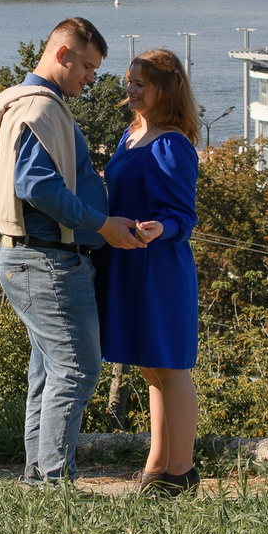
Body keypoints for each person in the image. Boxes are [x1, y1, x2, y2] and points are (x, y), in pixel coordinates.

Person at [0, 18, 148, 485]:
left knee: (49, 371)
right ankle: (52, 482)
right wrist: (101, 224)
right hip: (47, 261)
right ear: (63, 54)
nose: (91, 77)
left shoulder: (16, 102)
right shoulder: (42, 109)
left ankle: (39, 477)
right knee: (77, 369)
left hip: (28, 258)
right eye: (88, 66)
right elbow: (36, 187)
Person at [95, 48, 203, 496]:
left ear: (165, 88)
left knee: (170, 366)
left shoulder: (171, 142)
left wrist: (163, 227)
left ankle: (181, 472)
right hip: (126, 261)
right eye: (129, 82)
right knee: (149, 368)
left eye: (140, 83)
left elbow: (184, 216)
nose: (131, 90)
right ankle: (157, 466)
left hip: (158, 267)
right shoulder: (132, 133)